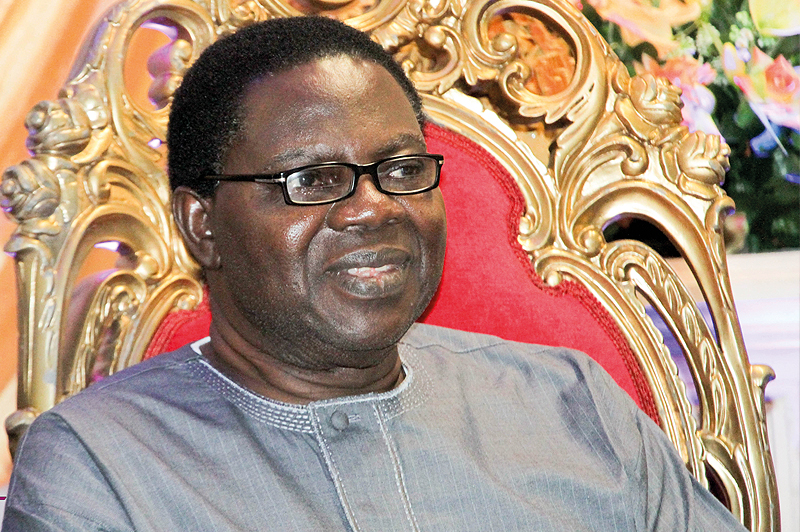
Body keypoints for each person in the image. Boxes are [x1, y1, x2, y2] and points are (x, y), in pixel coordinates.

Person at [2, 16, 747, 531]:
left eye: (401, 169)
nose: (374, 207)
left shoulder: (573, 403)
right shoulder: (100, 467)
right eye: (313, 179)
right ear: (203, 225)